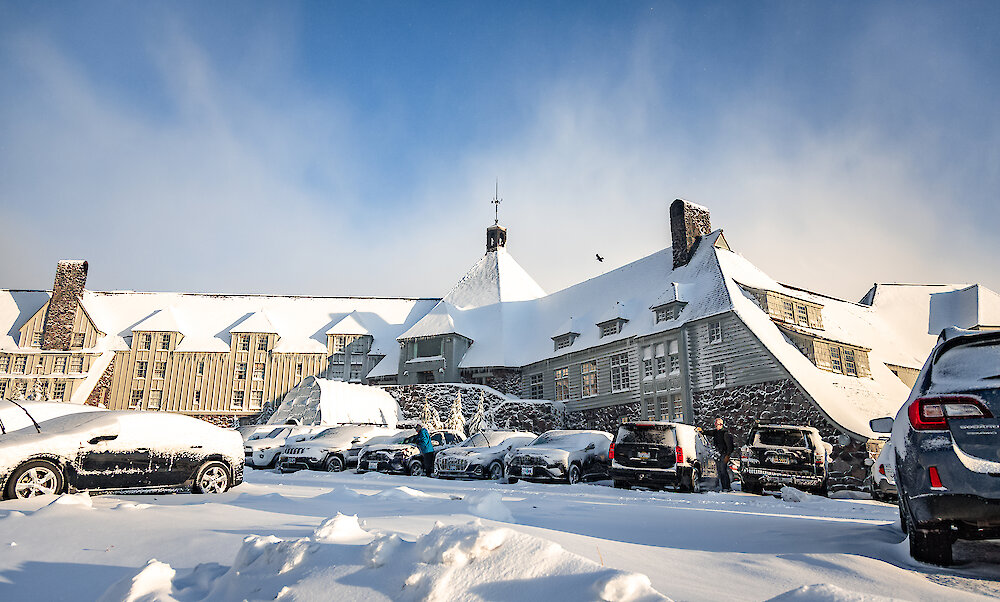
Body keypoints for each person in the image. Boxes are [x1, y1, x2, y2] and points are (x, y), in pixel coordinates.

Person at [699, 417, 736, 491]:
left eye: (718, 425)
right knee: (719, 471)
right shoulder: (716, 432)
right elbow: (709, 432)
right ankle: (722, 486)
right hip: (718, 453)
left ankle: (727, 487)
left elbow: (730, 446)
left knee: (723, 471)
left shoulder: (725, 433)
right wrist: (702, 431)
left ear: (721, 425)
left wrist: (727, 455)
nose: (717, 426)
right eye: (715, 425)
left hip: (724, 454)